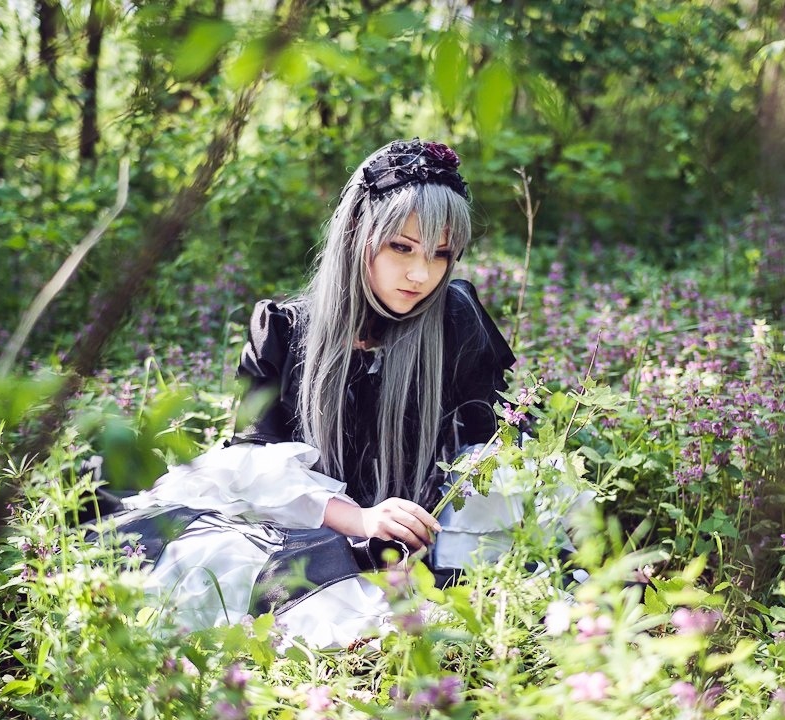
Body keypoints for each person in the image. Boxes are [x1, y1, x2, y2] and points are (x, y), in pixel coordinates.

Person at [108, 139, 517, 648]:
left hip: (423, 537)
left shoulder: (455, 318)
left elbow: (491, 444)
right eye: (401, 247)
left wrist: (435, 543)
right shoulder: (284, 329)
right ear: (356, 235)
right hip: (318, 531)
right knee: (219, 558)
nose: (421, 274)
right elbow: (258, 466)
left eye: (440, 254)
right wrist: (363, 521)